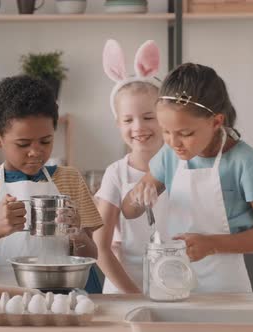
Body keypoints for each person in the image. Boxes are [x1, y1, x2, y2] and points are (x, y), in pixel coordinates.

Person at [121, 63, 253, 293]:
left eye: (186, 133)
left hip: (226, 287)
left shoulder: (247, 164)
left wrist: (212, 245)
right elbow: (129, 211)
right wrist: (138, 196)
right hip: (174, 282)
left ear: (216, 122)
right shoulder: (169, 156)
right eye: (166, 131)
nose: (173, 142)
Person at [0, 75, 103, 290]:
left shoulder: (70, 179)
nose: (35, 152)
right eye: (23, 143)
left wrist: (77, 233)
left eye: (46, 141)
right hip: (4, 302)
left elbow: (91, 257)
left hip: (68, 300)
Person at [94, 39, 168, 294]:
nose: (138, 127)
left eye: (148, 117)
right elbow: (100, 248)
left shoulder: (183, 166)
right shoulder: (116, 173)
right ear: (118, 124)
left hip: (176, 283)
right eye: (128, 120)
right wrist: (132, 294)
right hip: (124, 289)